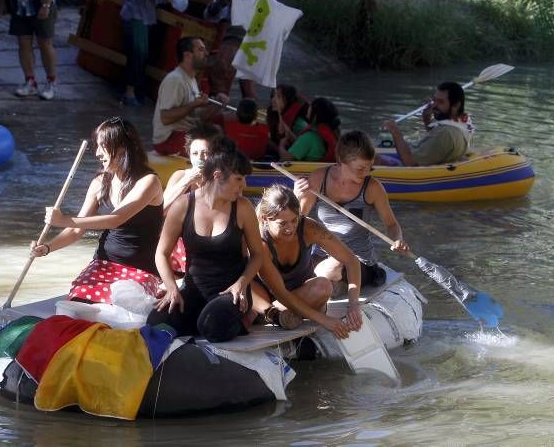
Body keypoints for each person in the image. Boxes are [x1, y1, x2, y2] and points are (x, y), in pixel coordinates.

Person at [30, 117, 165, 304]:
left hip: (140, 269)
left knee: (116, 309)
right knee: (78, 305)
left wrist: (63, 220)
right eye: (97, 146)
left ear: (123, 148)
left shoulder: (148, 182)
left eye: (103, 146)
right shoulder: (100, 182)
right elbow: (77, 229)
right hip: (103, 264)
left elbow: (115, 219)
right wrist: (46, 248)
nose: (98, 153)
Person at [149, 144, 264, 343]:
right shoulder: (183, 205)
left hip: (231, 293)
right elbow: (161, 253)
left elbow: (257, 254)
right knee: (156, 322)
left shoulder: (243, 207)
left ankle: (239, 318)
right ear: (218, 176)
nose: (243, 185)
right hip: (193, 290)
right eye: (239, 179)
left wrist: (241, 285)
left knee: (211, 327)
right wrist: (172, 289)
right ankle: (199, 319)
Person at [294, 130, 410, 288]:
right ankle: (322, 282)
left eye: (370, 167)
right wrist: (296, 197)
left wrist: (398, 239)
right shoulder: (318, 178)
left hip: (358, 261)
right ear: (342, 160)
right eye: (360, 168)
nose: (366, 172)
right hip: (321, 255)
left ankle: (318, 280)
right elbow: (298, 221)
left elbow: (391, 225)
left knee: (334, 266)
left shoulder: (373, 187)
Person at [252, 185, 361, 337]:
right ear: (265, 218)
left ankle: (295, 314)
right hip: (274, 301)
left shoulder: (308, 227)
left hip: (302, 293)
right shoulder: (260, 243)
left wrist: (353, 305)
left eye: (294, 220)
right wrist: (324, 320)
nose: (290, 228)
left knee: (324, 286)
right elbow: (281, 293)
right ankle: (273, 315)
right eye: (282, 224)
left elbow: (351, 260)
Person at [203, 0, 271, 99]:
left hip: (234, 39)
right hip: (253, 43)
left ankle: (214, 112)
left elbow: (220, 3)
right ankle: (250, 115)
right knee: (247, 84)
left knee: (218, 76)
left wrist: (209, 10)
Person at [152, 36, 228, 156]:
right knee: (213, 141)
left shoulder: (190, 79)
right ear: (187, 55)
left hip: (185, 133)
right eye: (201, 50)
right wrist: (193, 104)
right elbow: (165, 118)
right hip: (168, 140)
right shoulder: (175, 79)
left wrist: (217, 104)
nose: (206, 53)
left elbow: (196, 117)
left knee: (221, 125)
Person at [120, 0, 182, 107]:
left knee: (137, 58)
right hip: (137, 18)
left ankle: (131, 93)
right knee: (137, 58)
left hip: (136, 16)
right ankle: (129, 94)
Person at [0, 0, 59, 100]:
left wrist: (46, 5)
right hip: (19, 3)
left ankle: (51, 81)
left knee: (45, 42)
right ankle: (30, 81)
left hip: (41, 3)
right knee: (23, 42)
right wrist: (2, 2)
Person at [381, 81, 474, 166]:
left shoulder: (445, 133)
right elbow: (438, 143)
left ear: (456, 105)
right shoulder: (464, 121)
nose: (434, 105)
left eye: (441, 102)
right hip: (433, 158)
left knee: (370, 157)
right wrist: (427, 120)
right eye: (434, 100)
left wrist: (396, 132)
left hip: (409, 166)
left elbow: (410, 162)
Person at [162, 124, 222, 213]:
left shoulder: (224, 178)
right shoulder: (180, 176)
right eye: (194, 153)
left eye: (205, 153)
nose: (200, 158)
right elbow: (162, 210)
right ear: (189, 154)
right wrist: (187, 180)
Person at [269, 84, 327, 162]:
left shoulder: (299, 124)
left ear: (288, 100)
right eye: (273, 96)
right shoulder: (277, 117)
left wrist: (282, 142)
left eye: (278, 97)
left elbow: (300, 145)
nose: (273, 100)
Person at [307, 97, 341, 162]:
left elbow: (286, 158)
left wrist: (281, 146)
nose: (308, 109)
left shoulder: (311, 135)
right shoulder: (332, 130)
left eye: (310, 107)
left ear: (316, 114)